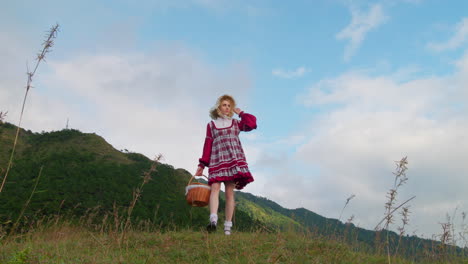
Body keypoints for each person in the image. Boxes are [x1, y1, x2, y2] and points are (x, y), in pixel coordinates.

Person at [195, 94, 257, 235]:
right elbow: (208, 145)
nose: (227, 107)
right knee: (215, 188)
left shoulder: (236, 123)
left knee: (229, 192)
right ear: (219, 107)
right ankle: (213, 220)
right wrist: (202, 164)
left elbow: (252, 124)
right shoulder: (211, 125)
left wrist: (241, 113)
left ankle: (227, 227)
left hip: (233, 160)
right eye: (224, 105)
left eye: (229, 105)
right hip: (217, 159)